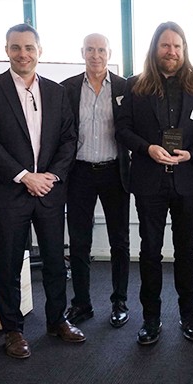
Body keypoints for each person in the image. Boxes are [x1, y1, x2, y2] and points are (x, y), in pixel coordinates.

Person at [0, 23, 82, 359]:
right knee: (8, 264)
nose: (23, 54)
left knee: (53, 261)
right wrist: (24, 176)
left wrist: (50, 176)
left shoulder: (56, 92)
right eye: (16, 47)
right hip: (10, 192)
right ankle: (13, 330)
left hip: (49, 190)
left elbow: (68, 139)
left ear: (39, 51)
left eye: (29, 48)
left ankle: (56, 320)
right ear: (6, 50)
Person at [116, 21, 193, 345]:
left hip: (187, 181)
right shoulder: (135, 86)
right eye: (165, 45)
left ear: (184, 50)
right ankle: (151, 318)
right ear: (155, 49)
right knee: (150, 251)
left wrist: (192, 154)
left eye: (177, 46)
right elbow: (122, 129)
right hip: (149, 181)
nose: (171, 51)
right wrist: (148, 148)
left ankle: (189, 316)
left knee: (186, 251)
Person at [60, 34, 131, 329]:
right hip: (79, 172)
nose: (96, 55)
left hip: (115, 171)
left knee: (120, 241)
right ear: (82, 52)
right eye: (90, 49)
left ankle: (119, 301)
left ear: (109, 53)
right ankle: (82, 303)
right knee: (79, 241)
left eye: (101, 50)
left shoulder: (126, 87)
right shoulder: (68, 88)